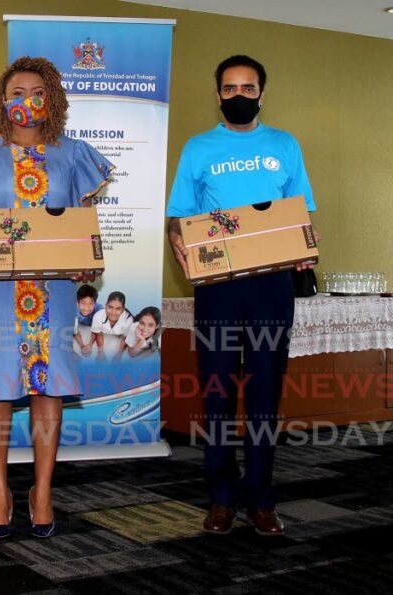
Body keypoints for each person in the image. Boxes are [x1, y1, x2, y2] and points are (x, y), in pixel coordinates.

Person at [0, 57, 112, 540]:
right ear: (2, 99)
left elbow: (83, 223)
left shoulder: (74, 154)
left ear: (52, 99)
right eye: (17, 91)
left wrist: (88, 258)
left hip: (53, 290)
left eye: (37, 92)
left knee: (48, 388)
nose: (27, 101)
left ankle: (42, 490)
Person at [166, 55, 316, 537]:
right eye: (229, 88)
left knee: (265, 396)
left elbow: (301, 215)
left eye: (247, 88)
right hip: (219, 287)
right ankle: (222, 498)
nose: (238, 96)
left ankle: (262, 499)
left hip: (272, 287)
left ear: (261, 94)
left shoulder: (284, 145)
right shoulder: (198, 148)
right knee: (217, 396)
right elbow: (179, 218)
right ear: (218, 95)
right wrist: (178, 243)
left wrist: (304, 249)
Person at [90, 291, 133, 360]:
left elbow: (125, 338)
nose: (113, 312)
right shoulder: (98, 316)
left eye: (118, 308)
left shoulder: (128, 320)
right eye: (110, 307)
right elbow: (98, 334)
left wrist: (119, 353)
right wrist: (100, 352)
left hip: (120, 336)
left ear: (123, 309)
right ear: (106, 305)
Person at [73, 284, 102, 357]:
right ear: (77, 302)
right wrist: (82, 346)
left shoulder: (99, 310)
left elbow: (98, 330)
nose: (86, 308)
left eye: (90, 304)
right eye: (83, 303)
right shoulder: (73, 310)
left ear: (94, 303)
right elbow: (75, 330)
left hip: (94, 325)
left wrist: (90, 345)